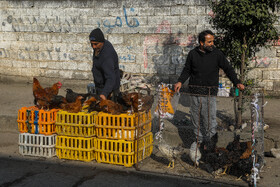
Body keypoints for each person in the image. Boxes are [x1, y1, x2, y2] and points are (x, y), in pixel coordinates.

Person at [174, 30, 245, 145]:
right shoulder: (193, 54)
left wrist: (236, 82)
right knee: (196, 118)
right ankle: (199, 141)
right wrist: (180, 82)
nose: (212, 44)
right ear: (202, 43)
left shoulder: (217, 54)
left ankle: (211, 143)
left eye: (212, 41)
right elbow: (187, 69)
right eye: (209, 41)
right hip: (195, 91)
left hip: (210, 92)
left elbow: (228, 69)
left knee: (209, 119)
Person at [89, 28, 120, 101]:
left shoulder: (107, 56)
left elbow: (111, 77)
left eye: (96, 44)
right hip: (100, 86)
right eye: (92, 44)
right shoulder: (98, 48)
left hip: (108, 90)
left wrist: (104, 93)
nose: (93, 47)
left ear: (102, 42)